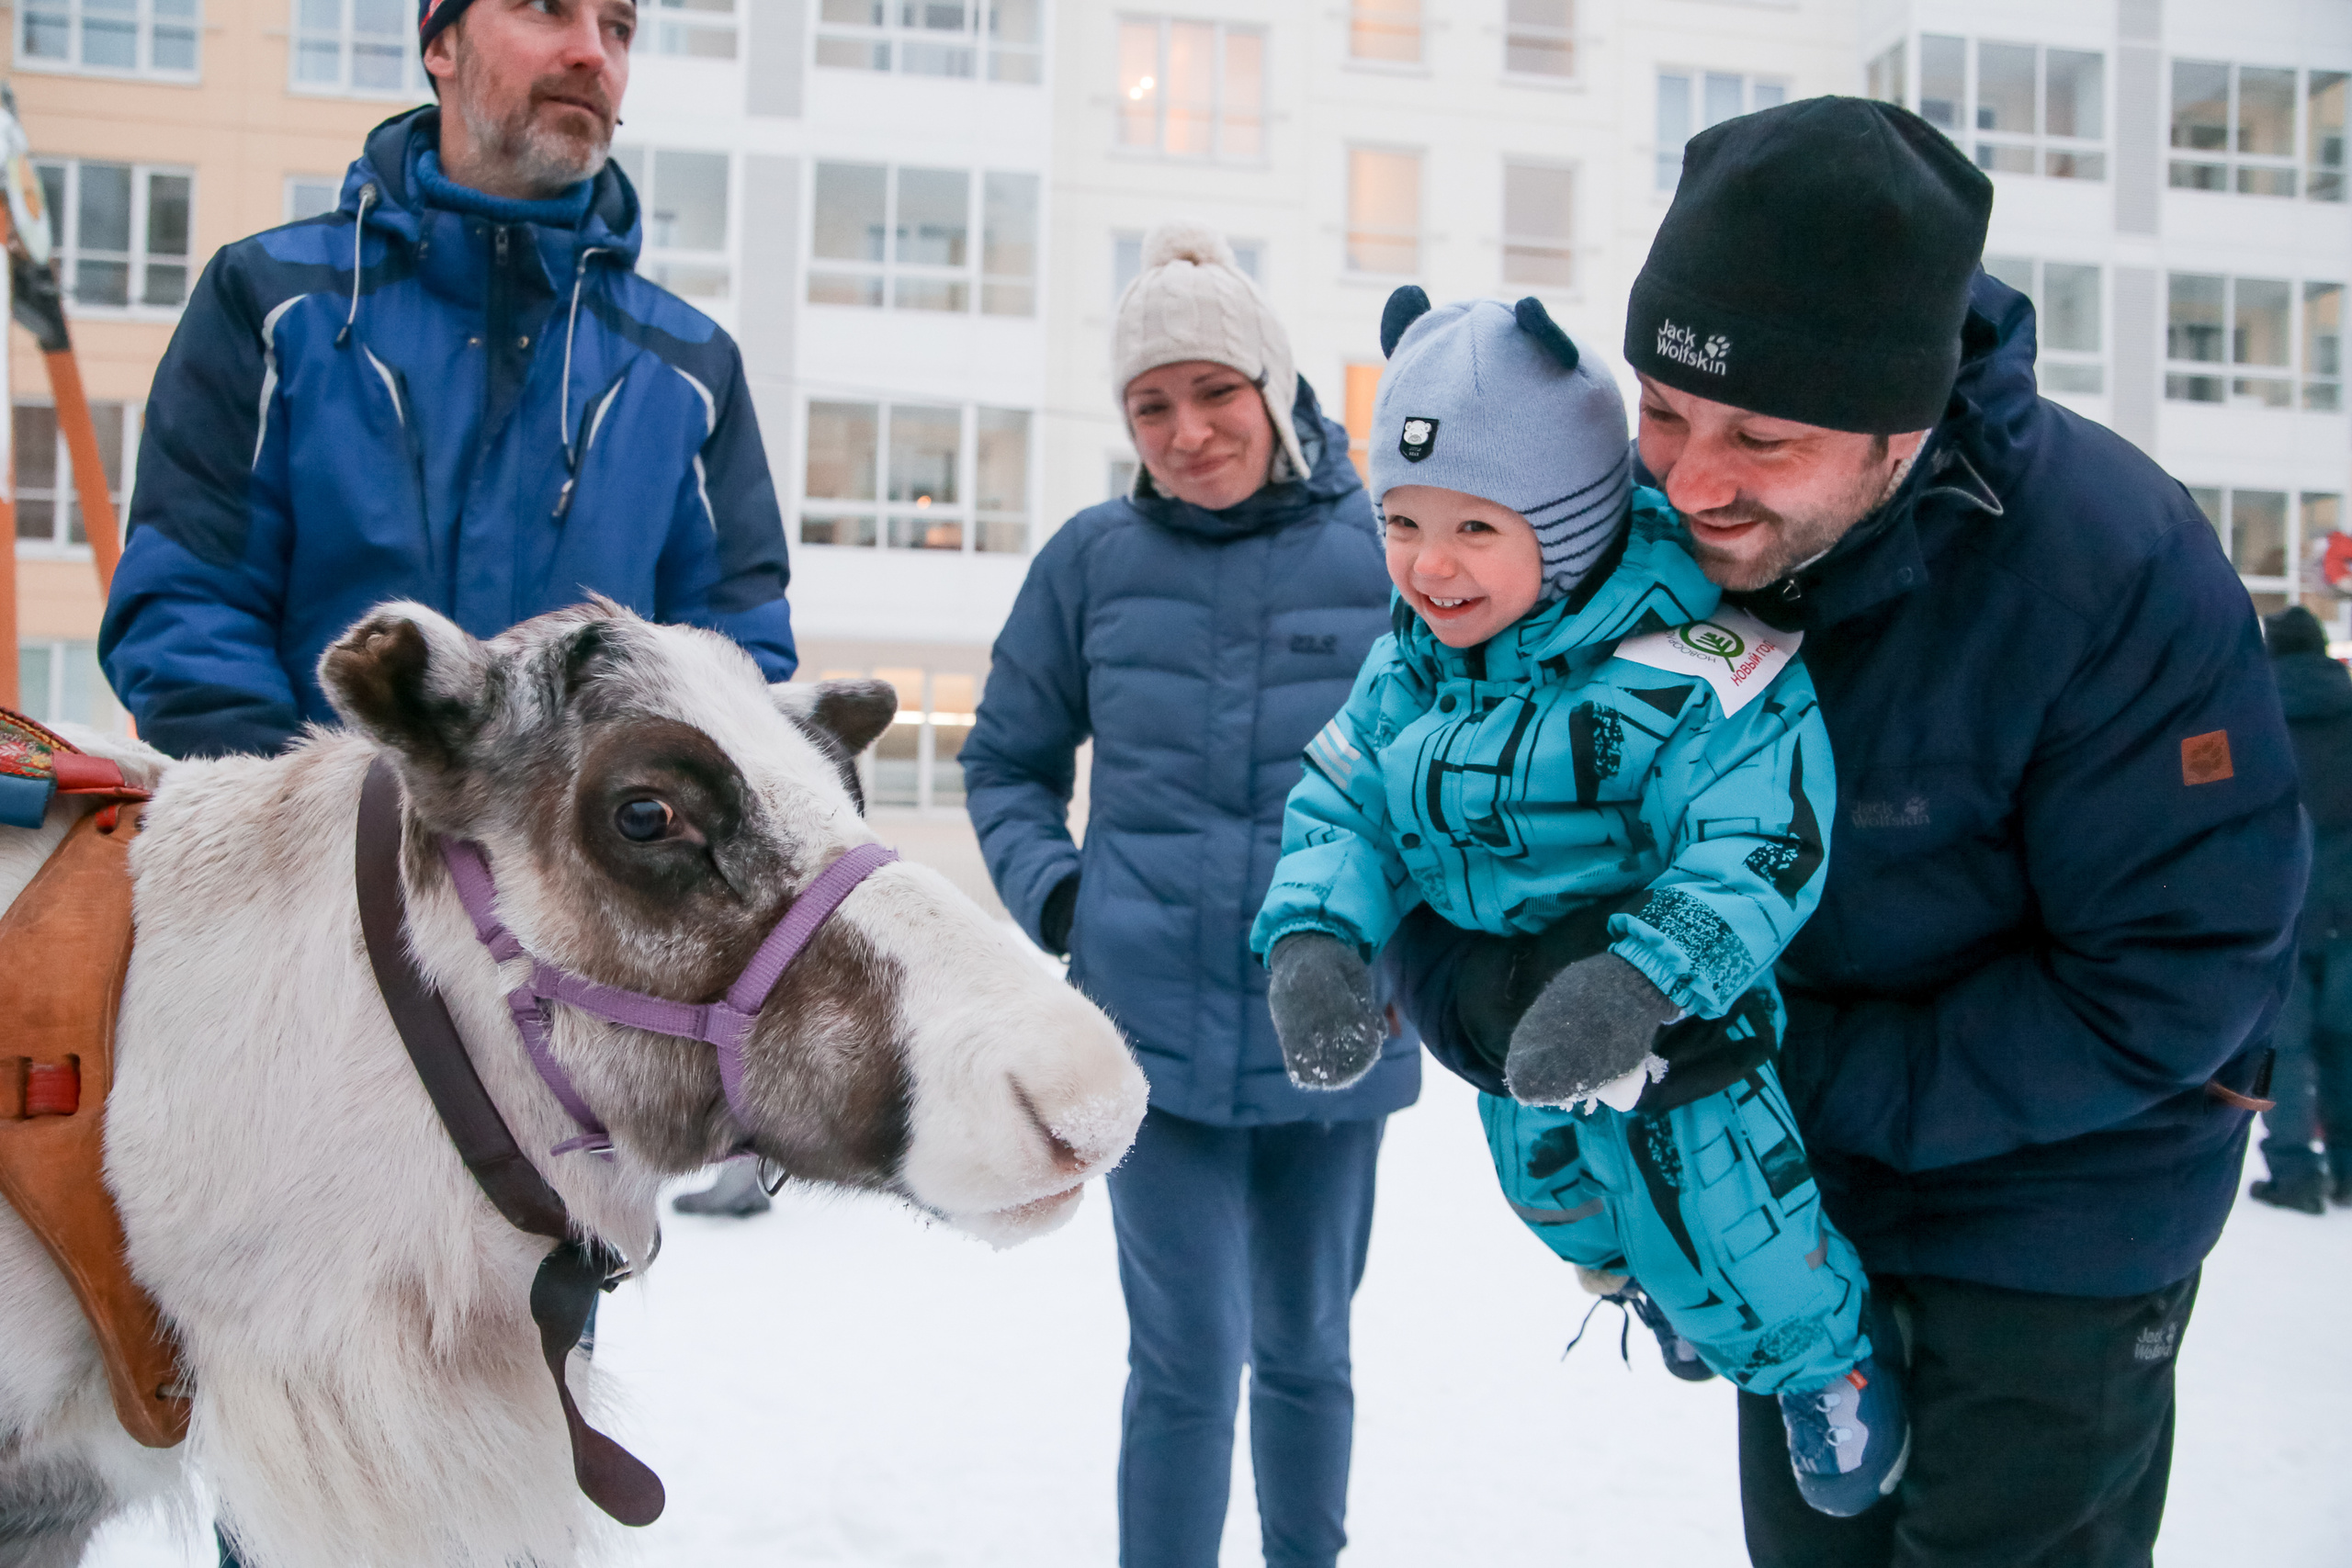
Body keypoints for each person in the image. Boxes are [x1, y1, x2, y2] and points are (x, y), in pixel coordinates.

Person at [1385, 98, 2302, 1568]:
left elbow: (2173, 975)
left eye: (1762, 437)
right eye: (1663, 411)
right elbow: (1418, 794)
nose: (1690, 482)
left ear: (1901, 425)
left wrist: (1756, 1066)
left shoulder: (2113, 570)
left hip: (2066, 1209)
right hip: (1788, 1206)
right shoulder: (1622, 542)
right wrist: (1495, 996)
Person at [1250, 290, 1905, 1517]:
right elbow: (1344, 802)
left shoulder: (1691, 659)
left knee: (1726, 1212)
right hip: (1509, 1017)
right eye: (1402, 522)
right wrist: (1317, 940)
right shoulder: (1412, 663)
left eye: (1474, 528)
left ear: (1569, 522)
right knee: (1552, 1191)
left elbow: (1761, 832)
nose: (1429, 564)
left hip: (1667, 1014)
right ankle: (1646, 1281)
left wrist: (1638, 980)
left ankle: (1828, 1370)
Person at [961, 223, 1419, 1568]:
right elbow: (1005, 761)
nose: (1187, 431)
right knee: (1184, 1357)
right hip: (1147, 1038)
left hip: (1336, 1032)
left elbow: (1453, 772)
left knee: (1308, 1346)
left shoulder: (1384, 552)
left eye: (1215, 391)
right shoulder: (1091, 561)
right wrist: (1064, 903)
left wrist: (1411, 943)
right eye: (1150, 405)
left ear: (1273, 388)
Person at [98, 0, 796, 764]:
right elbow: (191, 608)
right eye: (547, 9)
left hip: (588, 844)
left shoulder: (689, 366)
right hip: (313, 830)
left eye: (618, 27)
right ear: (442, 45)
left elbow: (738, 678)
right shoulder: (273, 306)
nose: (593, 52)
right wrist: (310, 819)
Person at [2249, 604, 2352, 1213]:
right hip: (2351, 916)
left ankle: (2295, 1175)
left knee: (2282, 1051)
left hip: (2281, 913)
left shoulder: (2252, 716)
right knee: (2347, 1043)